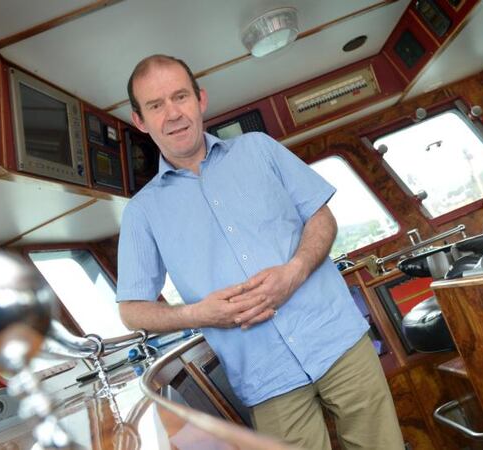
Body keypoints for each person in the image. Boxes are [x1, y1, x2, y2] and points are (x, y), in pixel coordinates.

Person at [116, 54, 404, 450]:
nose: (172, 114)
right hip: (265, 377)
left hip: (337, 341)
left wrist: (296, 271)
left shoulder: (260, 149)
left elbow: (322, 219)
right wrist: (199, 314)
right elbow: (131, 310)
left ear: (200, 100)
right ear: (140, 121)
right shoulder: (141, 213)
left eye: (180, 97)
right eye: (155, 105)